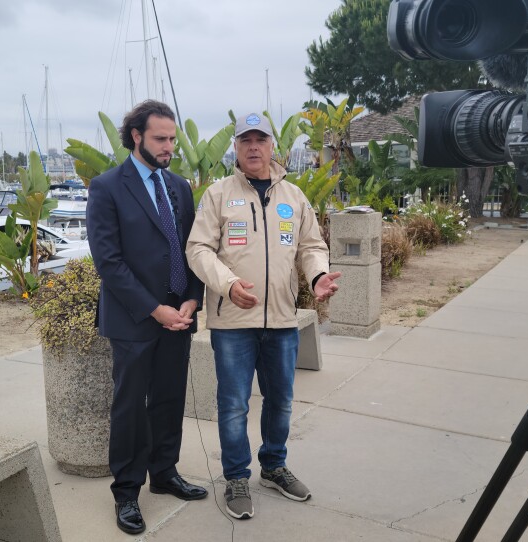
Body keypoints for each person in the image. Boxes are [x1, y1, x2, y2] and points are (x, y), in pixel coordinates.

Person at [186, 112, 341, 520]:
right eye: (245, 140)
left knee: (281, 402)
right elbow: (198, 249)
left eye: (261, 140)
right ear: (235, 148)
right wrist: (227, 283)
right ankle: (236, 476)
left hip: (283, 321)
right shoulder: (218, 195)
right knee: (234, 404)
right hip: (233, 324)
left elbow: (311, 246)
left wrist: (319, 275)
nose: (253, 147)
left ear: (273, 147)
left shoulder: (293, 196)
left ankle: (273, 467)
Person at [86, 100, 207, 535]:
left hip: (179, 315)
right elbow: (109, 262)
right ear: (136, 136)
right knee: (130, 408)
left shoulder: (179, 186)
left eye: (173, 139)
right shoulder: (107, 187)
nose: (169, 147)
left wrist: (192, 300)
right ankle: (126, 493)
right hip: (135, 319)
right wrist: (155, 309)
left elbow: (193, 250)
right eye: (160, 139)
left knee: (170, 398)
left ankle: (165, 473)